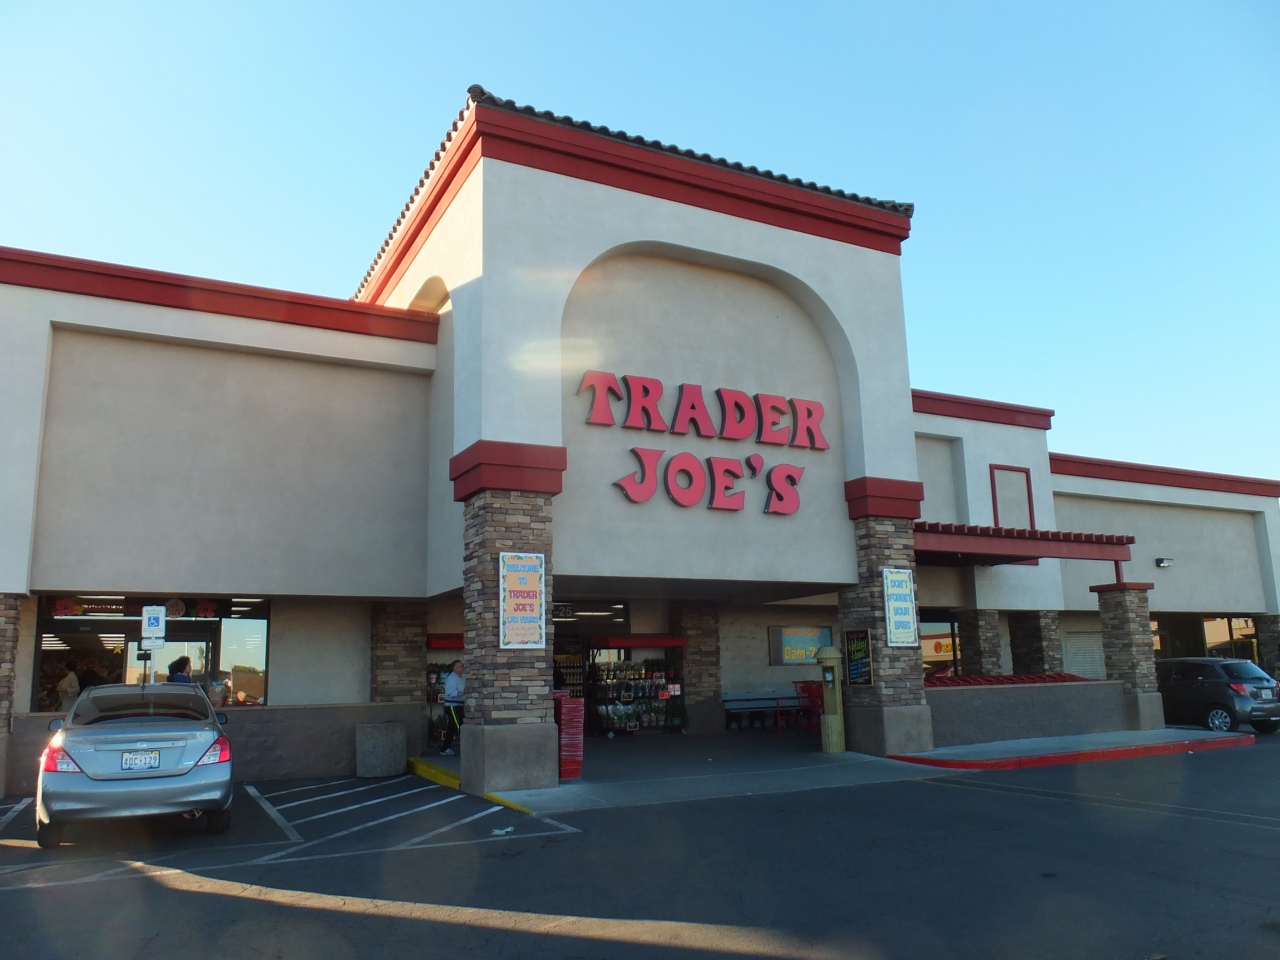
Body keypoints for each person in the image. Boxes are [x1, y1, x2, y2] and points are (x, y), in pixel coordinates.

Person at [440, 660, 465, 756]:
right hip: (452, 706)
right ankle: (466, 747)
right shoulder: (451, 678)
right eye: (460, 667)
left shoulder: (462, 677)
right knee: (459, 726)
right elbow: (449, 691)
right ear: (454, 668)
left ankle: (445, 748)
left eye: (462, 666)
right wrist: (459, 693)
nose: (462, 668)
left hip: (460, 705)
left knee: (452, 727)